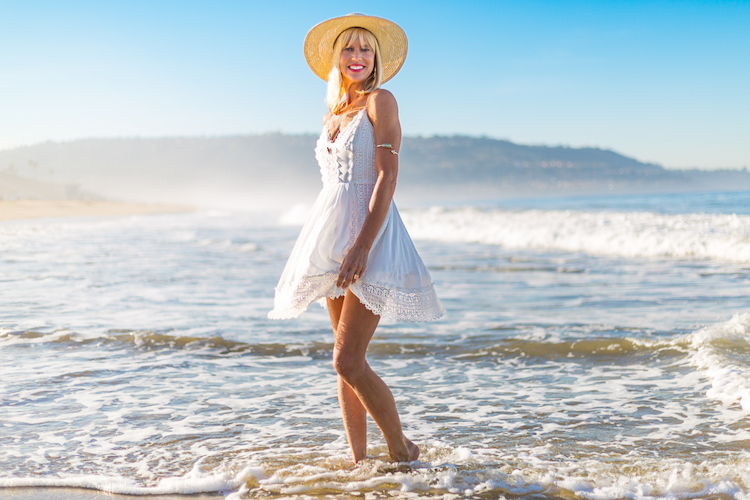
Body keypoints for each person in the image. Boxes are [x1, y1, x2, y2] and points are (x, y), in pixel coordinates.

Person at [268, 13, 444, 464]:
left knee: (347, 360)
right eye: (349, 48)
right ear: (336, 57)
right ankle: (359, 463)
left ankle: (403, 451)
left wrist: (363, 244)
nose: (357, 56)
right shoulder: (334, 112)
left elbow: (386, 178)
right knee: (343, 365)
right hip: (329, 238)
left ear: (376, 58)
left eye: (366, 49)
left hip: (372, 237)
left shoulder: (380, 101)